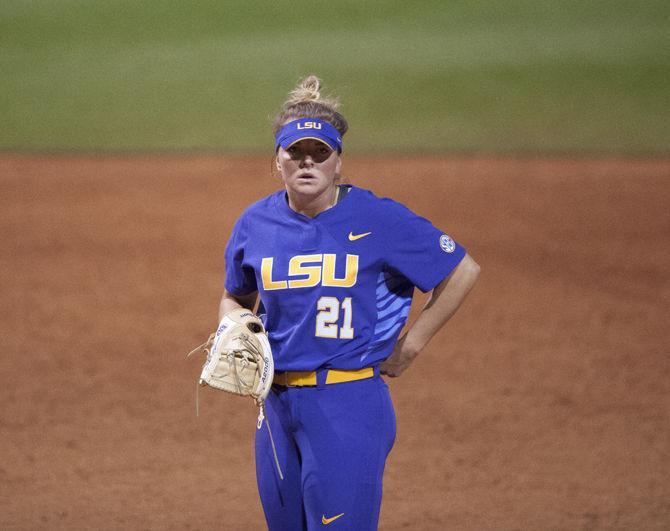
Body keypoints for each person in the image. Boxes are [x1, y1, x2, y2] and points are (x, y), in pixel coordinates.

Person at [219, 75, 480, 531]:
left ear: (338, 162)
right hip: (275, 407)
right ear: (276, 160)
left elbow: (462, 270)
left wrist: (411, 345)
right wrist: (235, 323)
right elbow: (235, 296)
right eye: (295, 152)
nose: (307, 162)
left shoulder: (378, 218)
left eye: (321, 153)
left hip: (347, 403)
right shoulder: (255, 222)